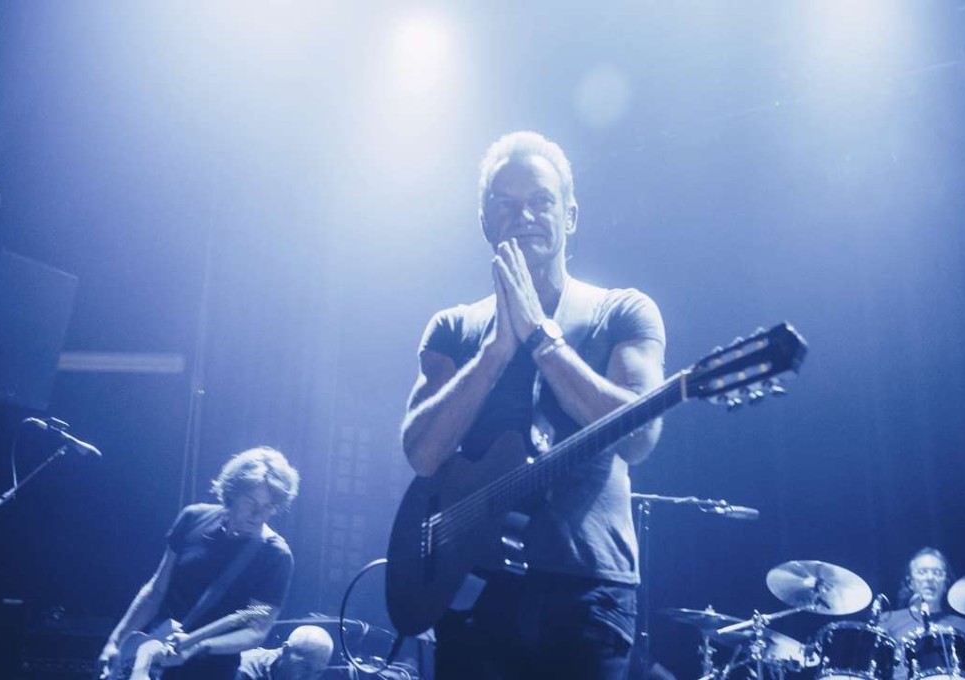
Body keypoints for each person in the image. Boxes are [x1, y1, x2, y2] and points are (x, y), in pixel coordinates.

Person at [400, 131, 666, 679]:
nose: (525, 215)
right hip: (473, 589)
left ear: (569, 215)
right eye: (506, 204)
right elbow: (423, 454)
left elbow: (640, 438)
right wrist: (496, 351)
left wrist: (543, 341)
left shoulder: (623, 312)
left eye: (541, 201)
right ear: (484, 223)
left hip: (588, 592)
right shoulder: (453, 326)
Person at [98, 447, 300, 680]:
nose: (257, 514)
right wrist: (116, 641)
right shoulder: (193, 517)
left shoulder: (275, 556)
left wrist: (199, 646)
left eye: (268, 506)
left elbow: (256, 629)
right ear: (232, 492)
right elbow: (156, 591)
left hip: (210, 671)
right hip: (151, 658)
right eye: (250, 501)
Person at [878, 547, 965, 678]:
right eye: (922, 572)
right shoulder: (888, 620)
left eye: (937, 572)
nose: (930, 578)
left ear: (945, 582)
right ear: (910, 582)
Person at [237, 625, 335, 680]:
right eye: (305, 667)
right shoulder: (243, 670)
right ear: (286, 650)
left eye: (318, 672)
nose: (309, 678)